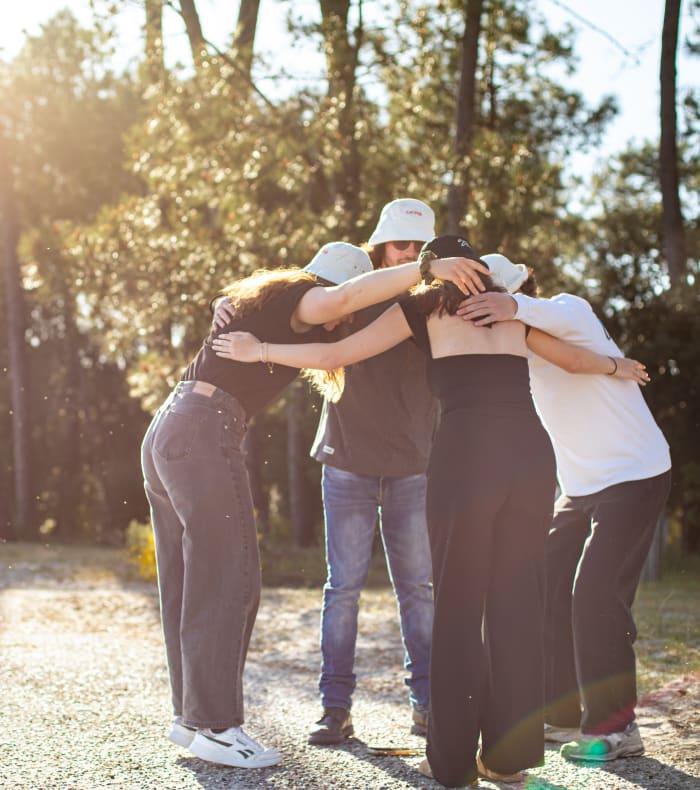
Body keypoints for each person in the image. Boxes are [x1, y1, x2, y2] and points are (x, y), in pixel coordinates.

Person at [211, 235, 647, 786]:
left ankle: (451, 764)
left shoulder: (422, 305)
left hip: (468, 458)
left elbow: (332, 356)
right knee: (517, 603)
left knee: (459, 606)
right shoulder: (507, 308)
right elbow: (575, 359)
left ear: (435, 272)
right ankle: (508, 761)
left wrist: (262, 351)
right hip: (531, 457)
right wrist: (617, 367)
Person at [140, 241, 483, 770]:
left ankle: (192, 720)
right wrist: (426, 268)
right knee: (231, 578)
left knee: (189, 580)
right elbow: (343, 298)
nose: (338, 325)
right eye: (341, 313)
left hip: (174, 425)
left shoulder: (264, 301)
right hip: (206, 433)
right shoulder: (308, 297)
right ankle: (216, 726)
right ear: (331, 289)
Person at [458, 254, 671, 764]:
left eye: (495, 299)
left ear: (518, 290)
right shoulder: (512, 353)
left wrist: (506, 305)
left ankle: (617, 729)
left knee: (594, 595)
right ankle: (560, 715)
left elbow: (551, 335)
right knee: (546, 585)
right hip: (578, 487)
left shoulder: (566, 309)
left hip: (634, 472)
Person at [308, 198, 438, 744]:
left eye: (416, 247)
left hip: (413, 465)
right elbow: (292, 299)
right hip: (347, 463)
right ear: (379, 245)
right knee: (343, 590)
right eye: (398, 245)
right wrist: (227, 308)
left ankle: (429, 706)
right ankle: (335, 709)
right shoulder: (349, 288)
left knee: (419, 590)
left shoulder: (436, 304)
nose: (406, 254)